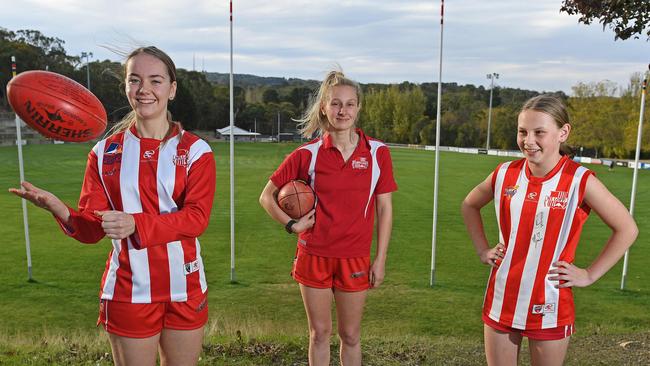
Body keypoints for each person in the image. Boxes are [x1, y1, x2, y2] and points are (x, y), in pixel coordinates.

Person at [9, 46, 216, 366]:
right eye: (135, 80)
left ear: (172, 89)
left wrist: (137, 223)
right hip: (128, 290)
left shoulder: (196, 151)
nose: (144, 89)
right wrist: (59, 209)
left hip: (185, 287)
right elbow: (92, 228)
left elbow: (196, 219)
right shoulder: (104, 153)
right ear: (126, 87)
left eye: (155, 81)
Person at [461, 94, 638, 366]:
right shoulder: (504, 173)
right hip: (502, 297)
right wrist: (482, 249)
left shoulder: (579, 180)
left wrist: (589, 274)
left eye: (539, 132)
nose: (528, 141)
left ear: (563, 132)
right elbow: (469, 205)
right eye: (522, 132)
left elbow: (627, 228)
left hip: (550, 303)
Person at [259, 70, 397, 366]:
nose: (342, 111)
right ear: (323, 107)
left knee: (351, 335)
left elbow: (384, 209)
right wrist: (292, 224)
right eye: (335, 104)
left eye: (349, 104)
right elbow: (266, 196)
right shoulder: (306, 154)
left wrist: (380, 258)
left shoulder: (377, 153)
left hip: (355, 258)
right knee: (319, 334)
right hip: (314, 254)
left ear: (358, 108)